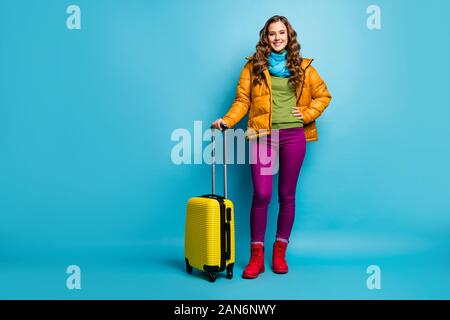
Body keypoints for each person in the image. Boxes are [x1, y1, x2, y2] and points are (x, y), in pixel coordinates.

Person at [211, 15, 332, 279]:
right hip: (261, 135)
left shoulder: (304, 67)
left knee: (287, 195)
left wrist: (309, 113)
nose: (277, 38)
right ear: (265, 37)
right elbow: (242, 101)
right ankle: (257, 257)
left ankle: (279, 252)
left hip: (293, 136)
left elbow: (324, 95)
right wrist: (227, 121)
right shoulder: (253, 67)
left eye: (282, 33)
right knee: (262, 195)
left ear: (289, 37)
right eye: (272, 33)